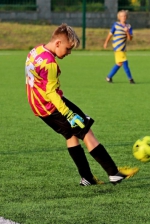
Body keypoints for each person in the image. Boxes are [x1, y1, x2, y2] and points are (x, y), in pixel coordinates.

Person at [25, 23, 139, 186]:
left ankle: (87, 177)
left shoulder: (36, 51)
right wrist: (69, 115)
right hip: (51, 105)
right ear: (58, 43)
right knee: (85, 130)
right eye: (68, 48)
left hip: (39, 104)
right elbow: (51, 93)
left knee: (71, 135)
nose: (69, 53)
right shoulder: (49, 63)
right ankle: (114, 173)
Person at [103, 10, 135, 84]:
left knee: (119, 63)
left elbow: (130, 39)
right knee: (125, 62)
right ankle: (130, 79)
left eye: (125, 16)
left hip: (123, 48)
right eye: (122, 16)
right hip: (117, 47)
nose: (124, 17)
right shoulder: (116, 25)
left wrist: (127, 32)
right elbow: (110, 34)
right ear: (119, 17)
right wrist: (106, 42)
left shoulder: (128, 26)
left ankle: (109, 77)